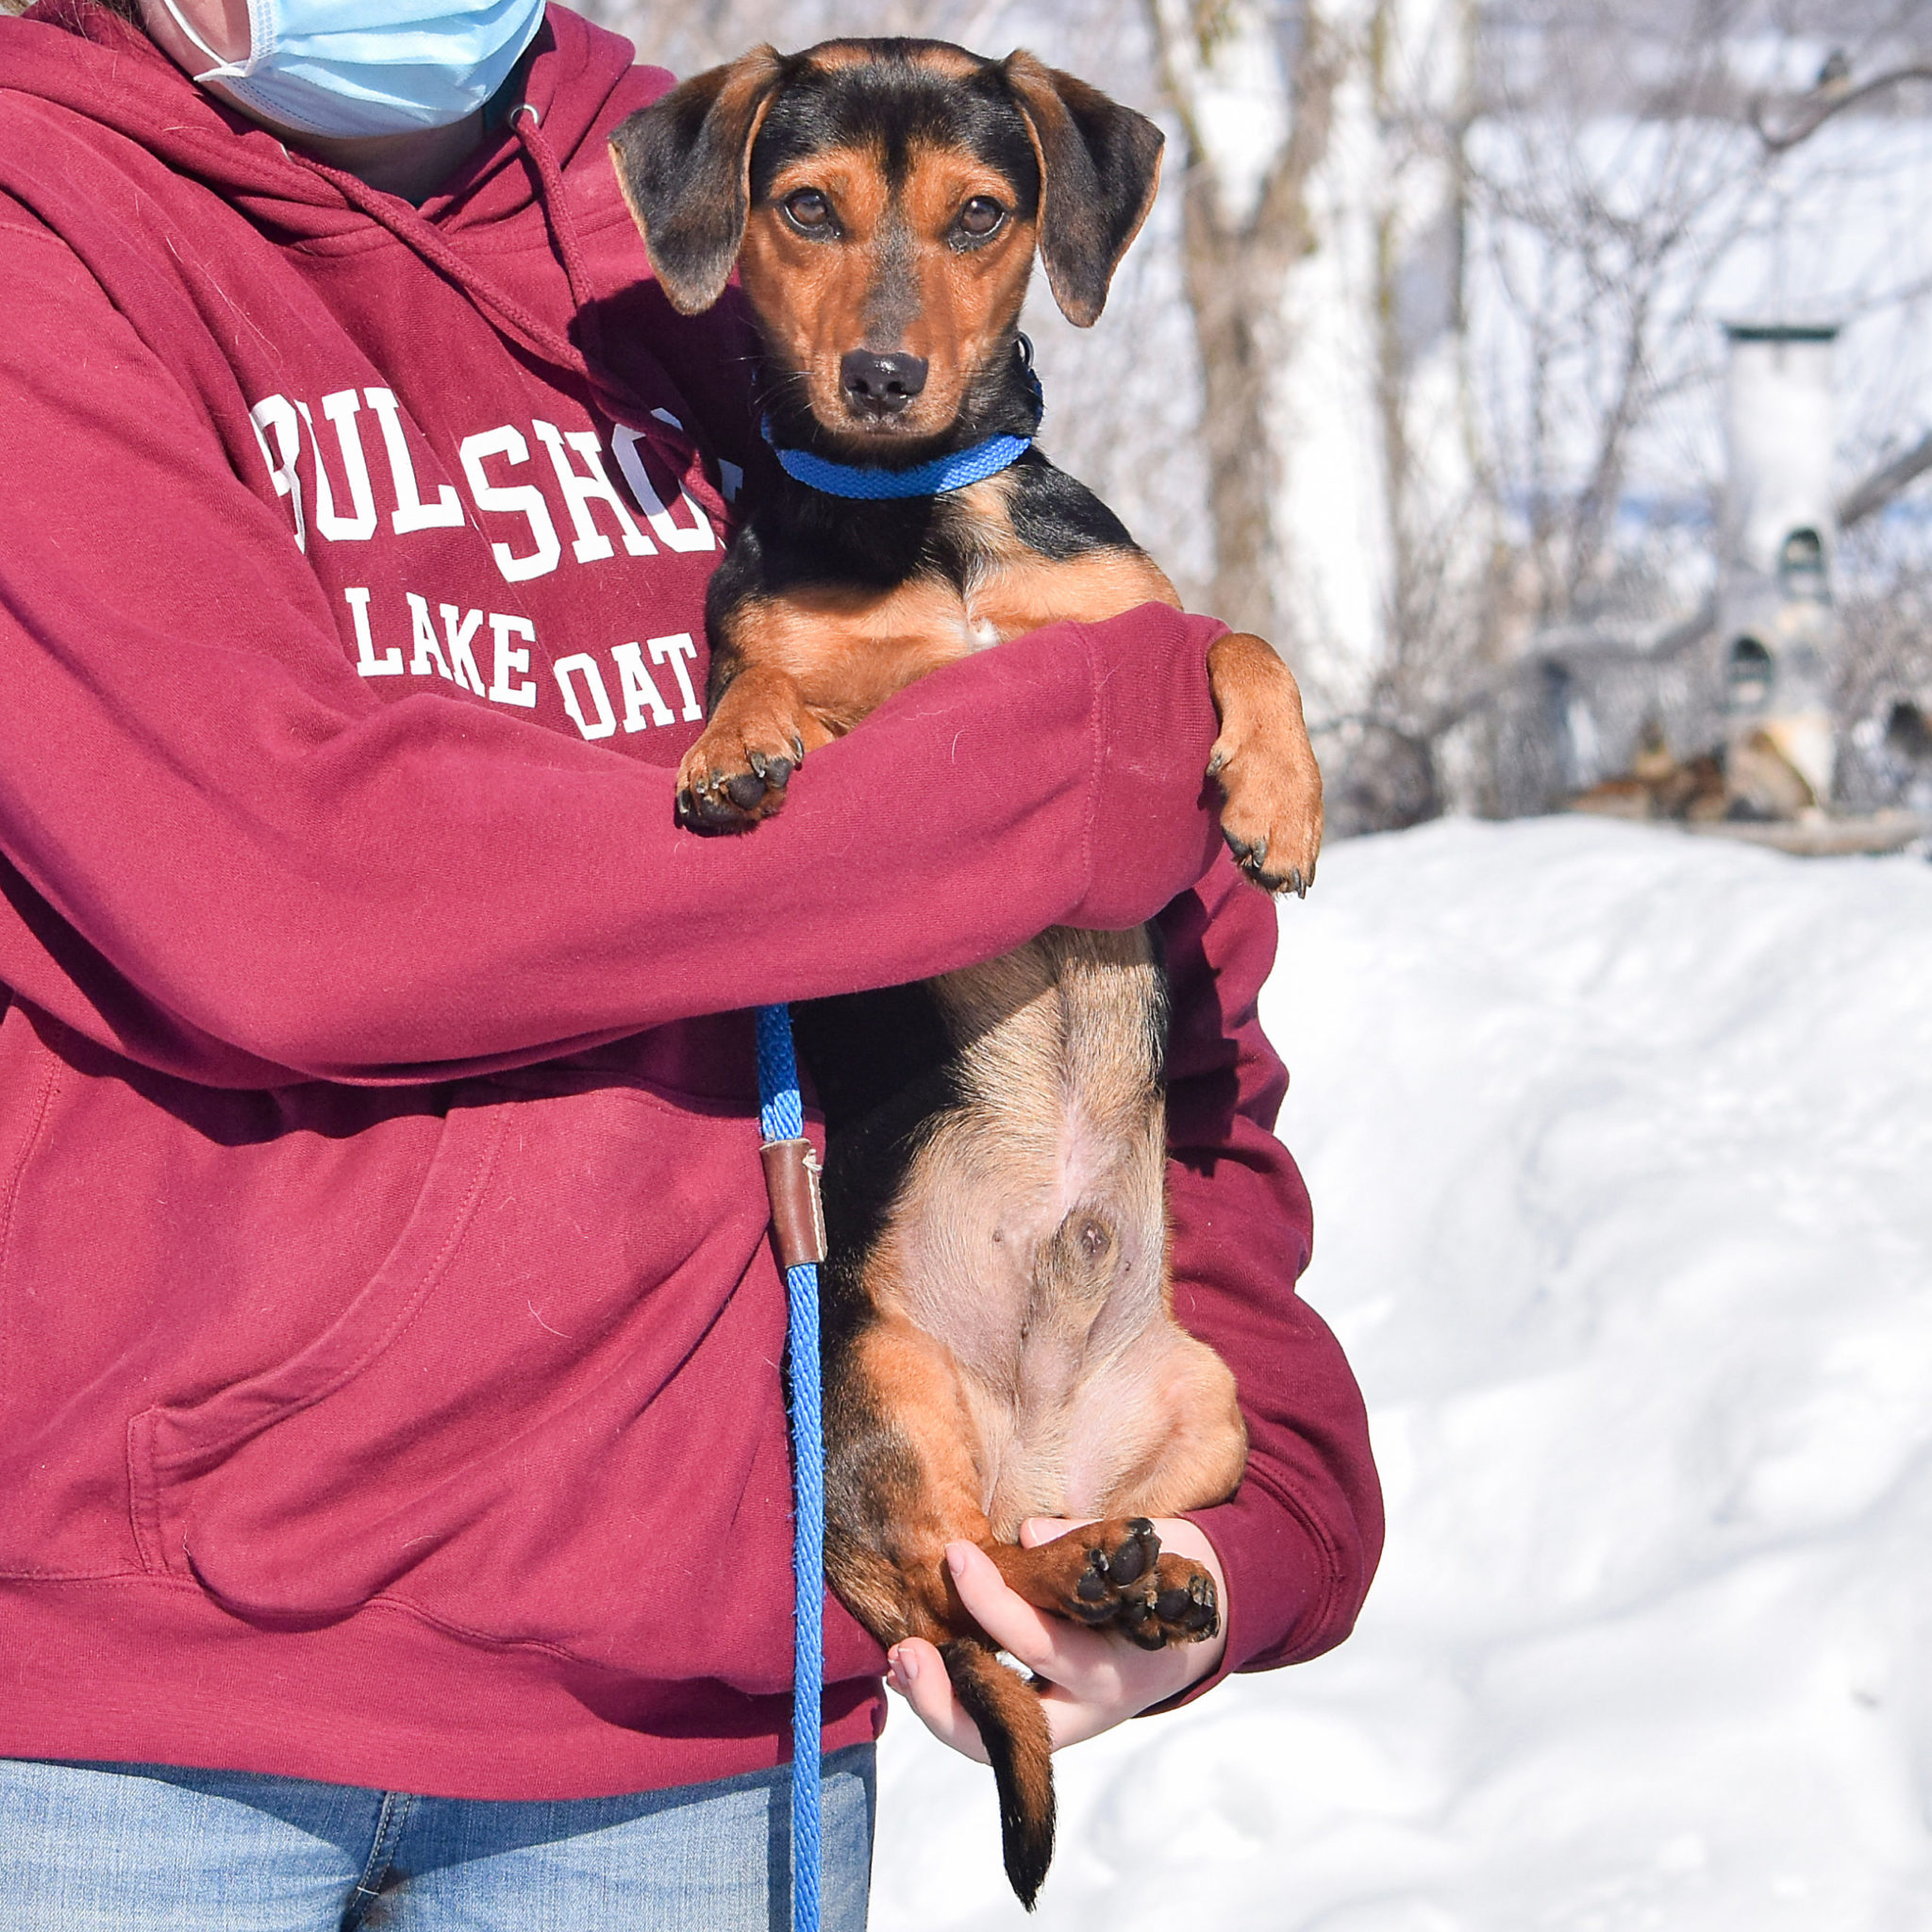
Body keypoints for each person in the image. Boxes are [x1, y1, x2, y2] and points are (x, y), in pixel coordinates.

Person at [0, 0, 1384, 1924]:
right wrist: (1062, 766)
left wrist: (1262, 1495)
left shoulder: (732, 193)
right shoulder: (39, 210)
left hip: (708, 1705)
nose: (879, 295)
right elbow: (288, 897)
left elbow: (1160, 941)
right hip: (139, 1725)